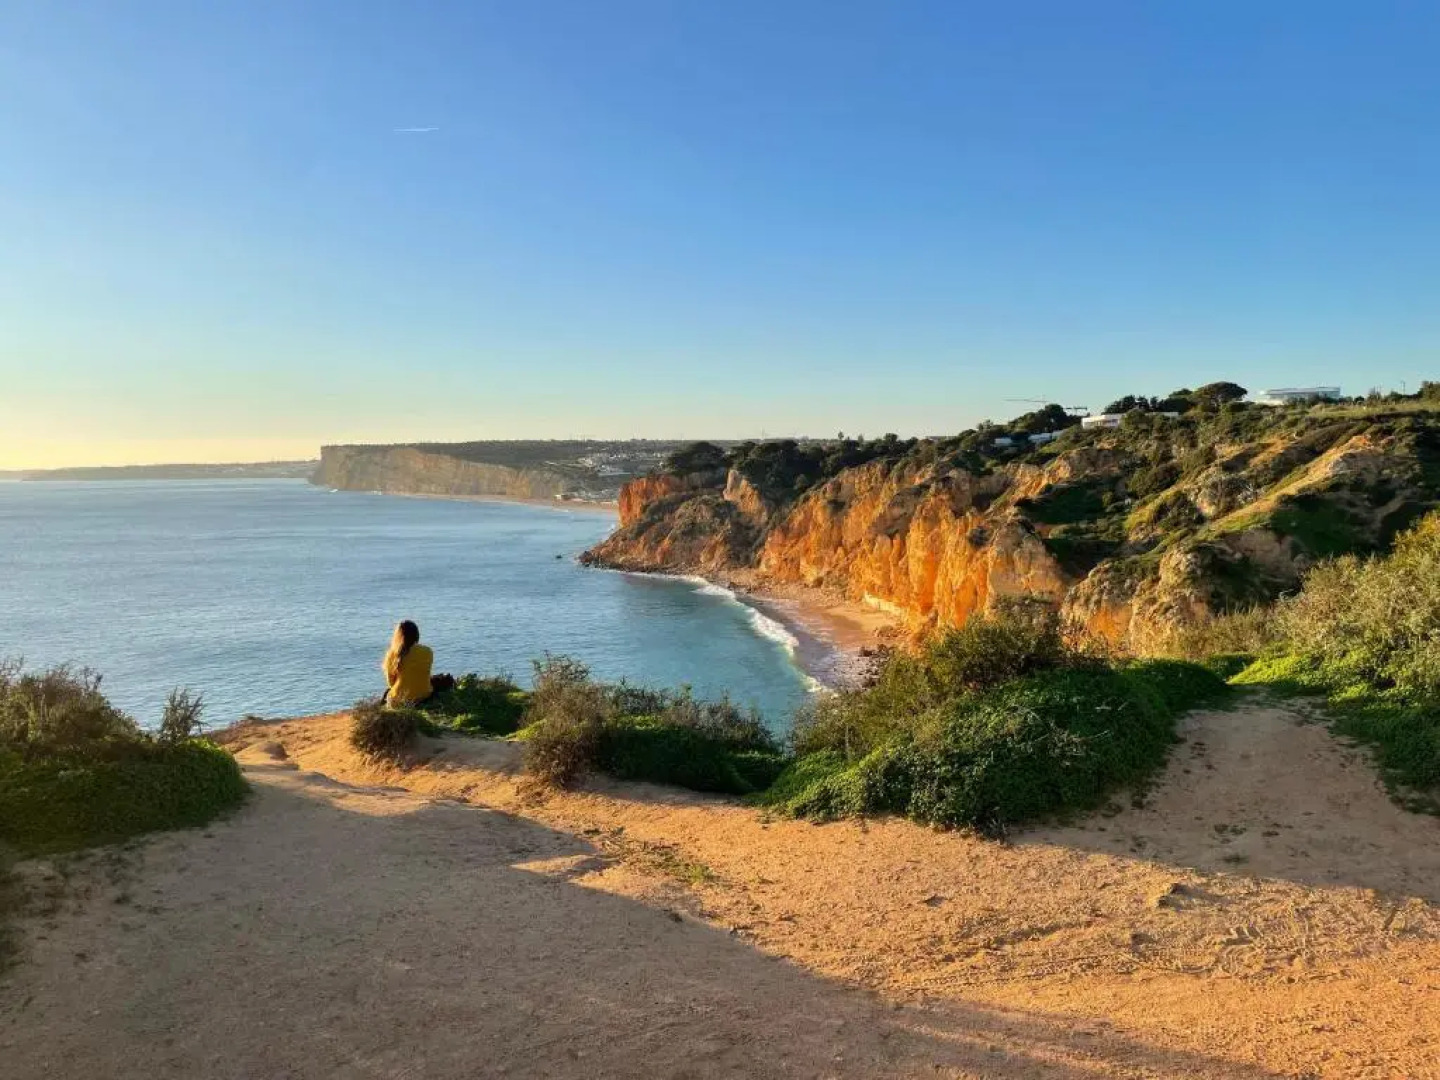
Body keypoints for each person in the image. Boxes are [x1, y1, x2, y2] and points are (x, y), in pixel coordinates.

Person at [381, 619, 450, 705]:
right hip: (424, 696)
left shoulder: (392, 654)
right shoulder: (427, 651)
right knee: (443, 679)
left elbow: (391, 683)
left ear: (397, 636)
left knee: (387, 692)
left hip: (399, 700)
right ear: (416, 634)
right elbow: (423, 673)